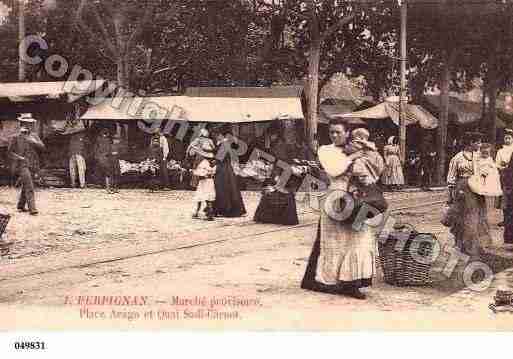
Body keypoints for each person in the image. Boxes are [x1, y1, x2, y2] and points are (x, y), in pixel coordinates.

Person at [301, 119, 386, 300]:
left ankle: (352, 283)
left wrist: (369, 152)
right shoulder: (326, 150)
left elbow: (376, 170)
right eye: (332, 132)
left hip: (356, 197)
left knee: (358, 238)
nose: (334, 135)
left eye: (338, 132)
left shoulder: (357, 148)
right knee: (335, 240)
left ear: (347, 133)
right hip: (336, 197)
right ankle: (331, 280)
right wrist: (352, 158)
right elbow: (333, 170)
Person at [8, 113, 46, 215]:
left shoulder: (34, 136)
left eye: (30, 123)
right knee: (29, 186)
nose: (28, 125)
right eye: (26, 123)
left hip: (33, 165)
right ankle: (32, 209)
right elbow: (9, 153)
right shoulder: (15, 137)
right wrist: (20, 158)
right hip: (22, 165)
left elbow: (43, 148)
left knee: (26, 185)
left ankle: (20, 206)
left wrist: (34, 141)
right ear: (21, 124)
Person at [212, 127, 247, 218]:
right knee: (230, 188)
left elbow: (219, 158)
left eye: (217, 135)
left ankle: (225, 209)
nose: (216, 137)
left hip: (223, 169)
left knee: (222, 188)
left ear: (221, 135)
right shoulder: (226, 143)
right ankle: (226, 208)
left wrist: (211, 160)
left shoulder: (224, 144)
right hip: (227, 168)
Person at [447, 132, 482, 204]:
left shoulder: (478, 157)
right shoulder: (457, 158)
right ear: (471, 142)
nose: (480, 145)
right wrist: (450, 196)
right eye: (478, 143)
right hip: (462, 187)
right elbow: (451, 177)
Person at [191, 143, 217, 221]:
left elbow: (199, 173)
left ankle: (196, 212)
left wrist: (195, 172)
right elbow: (214, 172)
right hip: (210, 181)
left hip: (204, 182)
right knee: (208, 198)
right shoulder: (214, 164)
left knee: (200, 197)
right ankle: (210, 213)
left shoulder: (203, 163)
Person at [495, 128, 513, 227]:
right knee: (505, 198)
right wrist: (503, 166)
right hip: (504, 175)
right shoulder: (500, 151)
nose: (507, 140)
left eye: (509, 138)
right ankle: (505, 219)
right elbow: (497, 164)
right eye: (506, 138)